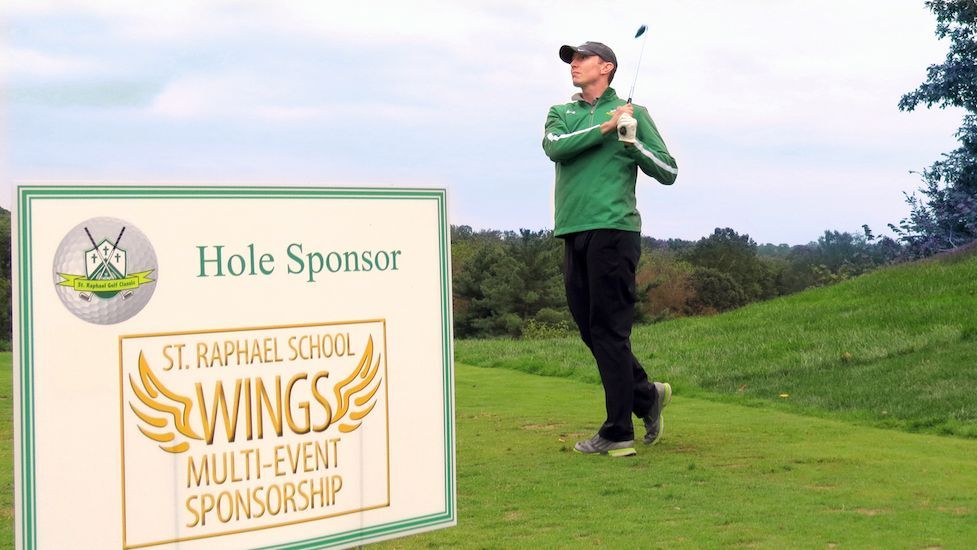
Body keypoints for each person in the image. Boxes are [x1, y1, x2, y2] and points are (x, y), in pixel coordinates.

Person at [541, 41, 678, 457]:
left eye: (581, 59)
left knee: (610, 330)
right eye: (571, 61)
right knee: (590, 329)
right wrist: (605, 127)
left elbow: (669, 171)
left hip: (614, 232)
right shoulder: (561, 114)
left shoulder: (635, 116)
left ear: (607, 67)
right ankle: (644, 395)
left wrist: (630, 140)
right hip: (572, 230)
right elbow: (555, 147)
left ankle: (618, 432)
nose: (574, 65)